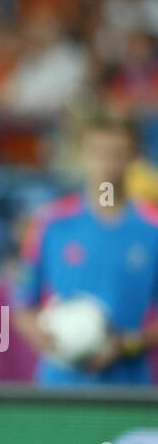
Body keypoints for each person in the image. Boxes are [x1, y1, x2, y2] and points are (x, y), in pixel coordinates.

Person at [14, 110, 158, 385]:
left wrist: (126, 345)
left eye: (117, 153)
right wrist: (53, 342)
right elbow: (23, 305)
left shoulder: (152, 229)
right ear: (81, 155)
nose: (107, 164)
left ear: (134, 157)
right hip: (61, 386)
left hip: (128, 388)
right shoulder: (50, 223)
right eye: (98, 153)